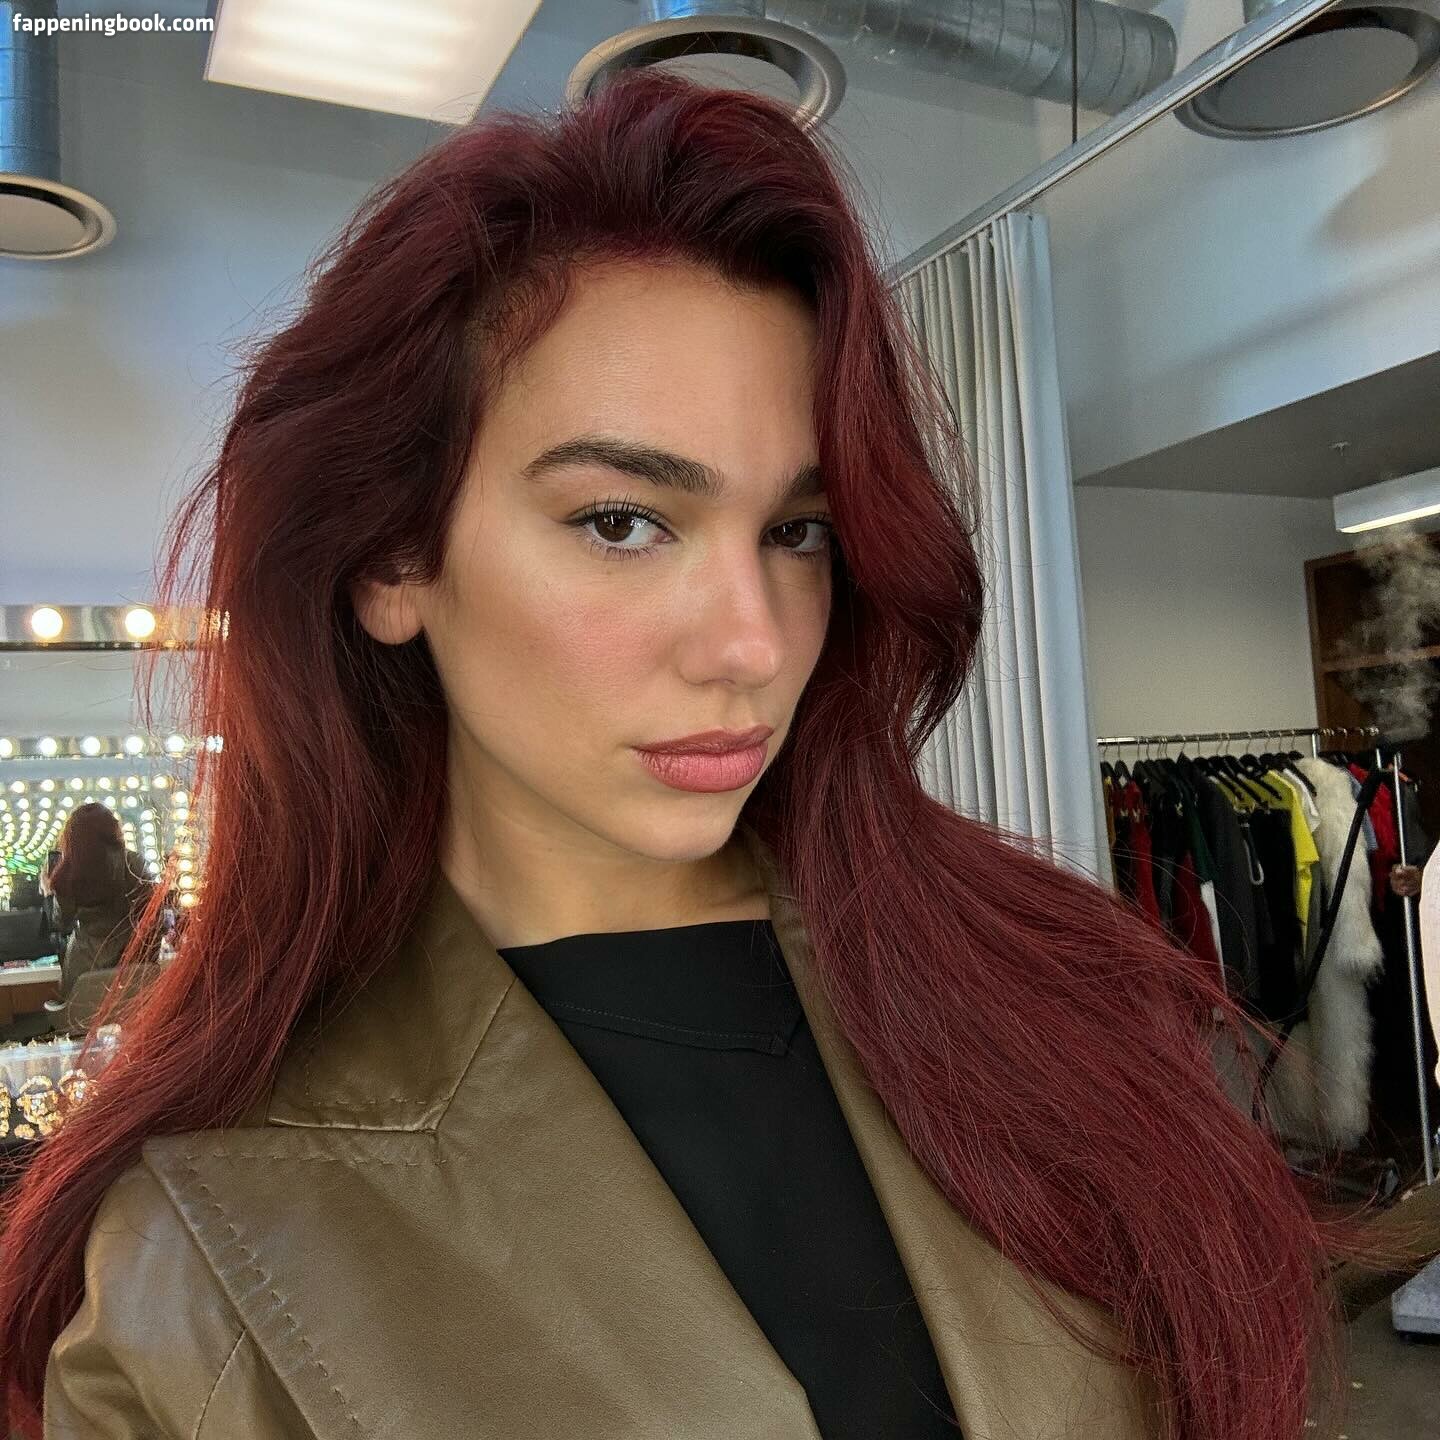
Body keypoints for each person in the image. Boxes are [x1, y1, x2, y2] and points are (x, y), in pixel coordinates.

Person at [0, 72, 1426, 1440]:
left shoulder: (1054, 998)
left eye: (797, 531)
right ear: (391, 560)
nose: (752, 641)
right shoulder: (199, 1273)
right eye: (622, 521)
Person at [39, 804, 158, 1003]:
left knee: (81, 1016)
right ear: (112, 828)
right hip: (130, 963)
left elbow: (60, 922)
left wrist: (49, 891)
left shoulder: (68, 871)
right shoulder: (134, 863)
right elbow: (152, 915)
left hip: (83, 965)